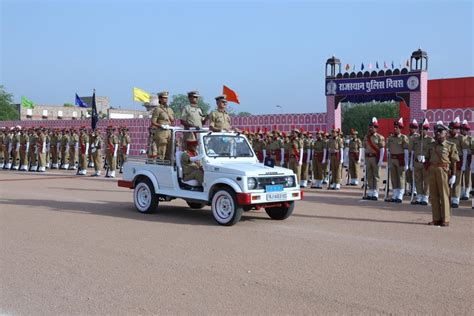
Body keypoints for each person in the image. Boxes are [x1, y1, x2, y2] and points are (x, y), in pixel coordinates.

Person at [425, 121, 459, 226]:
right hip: (432, 170)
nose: (438, 133)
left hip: (444, 171)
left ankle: (445, 219)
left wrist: (453, 175)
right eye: (436, 131)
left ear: (446, 133)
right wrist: (422, 159)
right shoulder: (430, 145)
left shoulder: (450, 146)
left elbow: (453, 162)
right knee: (434, 195)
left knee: (444, 195)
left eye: (440, 131)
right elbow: (427, 159)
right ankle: (436, 218)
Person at [410, 119, 434, 205]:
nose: (421, 130)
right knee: (418, 180)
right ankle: (419, 196)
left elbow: (432, 153)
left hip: (426, 163)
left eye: (423, 129)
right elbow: (412, 152)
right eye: (420, 129)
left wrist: (427, 159)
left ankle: (425, 197)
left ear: (427, 130)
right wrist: (411, 163)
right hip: (417, 162)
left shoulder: (430, 140)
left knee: (426, 180)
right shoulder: (415, 139)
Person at [385, 118, 409, 203]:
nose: (395, 128)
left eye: (397, 127)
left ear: (400, 128)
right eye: (394, 127)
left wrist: (406, 163)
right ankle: (395, 194)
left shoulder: (403, 138)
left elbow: (406, 151)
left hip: (400, 160)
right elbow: (388, 150)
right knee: (394, 177)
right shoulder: (390, 138)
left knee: (401, 177)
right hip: (392, 159)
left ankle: (400, 195)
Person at [447, 117, 468, 208]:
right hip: (447, 162)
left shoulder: (461, 138)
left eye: (454, 129)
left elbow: (465, 152)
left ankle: (455, 200)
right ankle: (449, 199)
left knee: (457, 181)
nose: (451, 130)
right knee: (448, 180)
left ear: (456, 129)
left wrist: (463, 165)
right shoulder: (447, 138)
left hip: (458, 161)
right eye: (451, 128)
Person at [363, 117, 385, 200]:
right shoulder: (366, 137)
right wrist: (364, 160)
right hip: (368, 158)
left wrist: (381, 160)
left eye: (373, 127)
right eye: (370, 126)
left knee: (376, 175)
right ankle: (371, 191)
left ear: (376, 127)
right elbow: (364, 149)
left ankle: (375, 192)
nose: (371, 128)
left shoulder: (380, 137)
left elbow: (382, 149)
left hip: (375, 158)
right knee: (369, 175)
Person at [150, 91, 174, 160]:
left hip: (169, 132)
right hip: (161, 133)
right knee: (161, 153)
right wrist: (160, 125)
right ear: (160, 99)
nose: (166, 100)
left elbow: (172, 120)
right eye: (164, 98)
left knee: (170, 153)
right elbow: (153, 121)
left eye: (166, 98)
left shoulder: (169, 109)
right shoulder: (157, 109)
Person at [460, 120, 472, 200]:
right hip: (459, 158)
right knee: (460, 176)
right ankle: (461, 191)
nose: (464, 131)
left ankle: (467, 191)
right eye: (462, 129)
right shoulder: (458, 138)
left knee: (468, 175)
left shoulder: (470, 138)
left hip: (467, 158)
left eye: (465, 129)